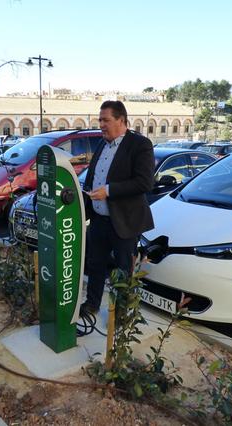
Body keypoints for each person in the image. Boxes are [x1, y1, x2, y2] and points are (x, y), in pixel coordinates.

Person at [81, 100, 155, 314]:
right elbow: (93, 177)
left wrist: (109, 191)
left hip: (123, 222)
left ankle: (121, 313)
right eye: (100, 120)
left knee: (123, 271)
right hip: (98, 220)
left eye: (106, 120)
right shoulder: (102, 144)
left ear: (121, 120)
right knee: (95, 265)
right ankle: (92, 304)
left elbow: (144, 183)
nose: (101, 124)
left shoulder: (140, 145)